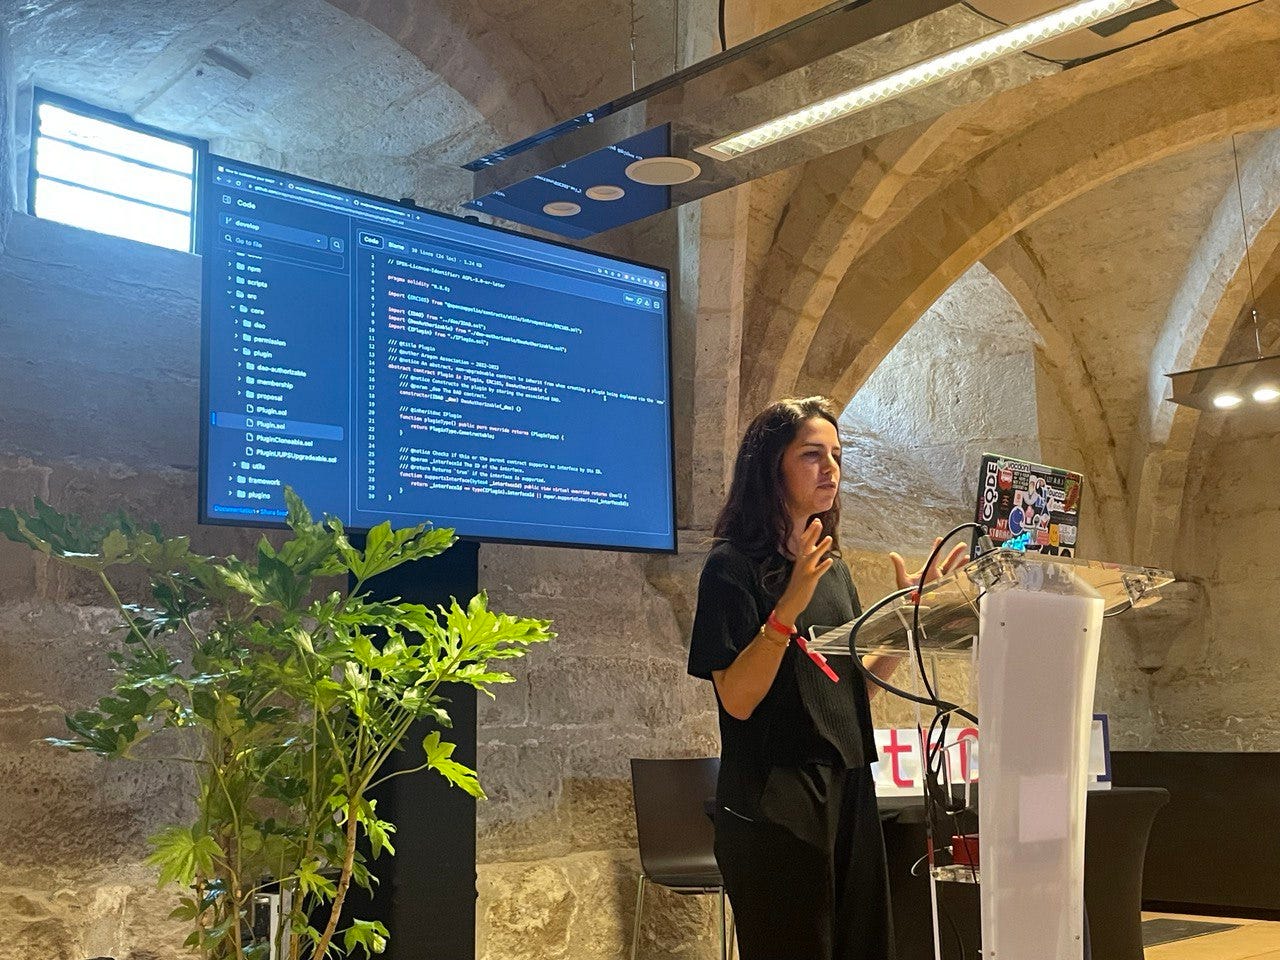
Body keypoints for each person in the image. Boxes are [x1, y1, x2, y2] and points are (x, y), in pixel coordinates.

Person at [687, 397, 966, 960]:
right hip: (774, 802)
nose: (831, 469)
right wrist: (786, 610)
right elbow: (738, 700)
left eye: (836, 455)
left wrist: (901, 626)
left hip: (849, 789)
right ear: (772, 468)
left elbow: (848, 695)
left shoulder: (831, 567)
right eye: (812, 455)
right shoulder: (731, 566)